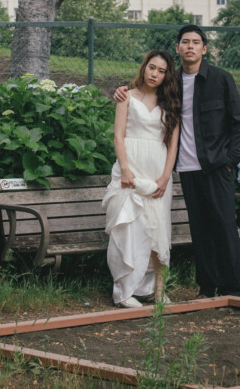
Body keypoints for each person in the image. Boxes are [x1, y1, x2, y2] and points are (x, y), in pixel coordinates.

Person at [115, 25, 240, 299]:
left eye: (196, 42)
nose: (190, 46)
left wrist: (230, 160)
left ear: (204, 49)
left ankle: (232, 289)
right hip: (186, 169)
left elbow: (238, 123)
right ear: (178, 48)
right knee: (199, 230)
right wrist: (121, 91)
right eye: (185, 42)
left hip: (216, 167)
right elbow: (144, 90)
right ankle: (207, 288)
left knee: (223, 226)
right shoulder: (170, 82)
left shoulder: (221, 79)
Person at [102, 49, 181, 308]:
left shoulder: (170, 103)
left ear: (167, 76)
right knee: (129, 228)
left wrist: (165, 177)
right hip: (131, 169)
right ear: (144, 66)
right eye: (152, 67)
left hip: (158, 171)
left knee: (158, 229)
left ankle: (157, 291)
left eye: (161, 71)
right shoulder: (126, 96)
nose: (155, 74)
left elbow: (173, 144)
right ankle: (124, 291)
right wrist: (125, 168)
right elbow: (118, 135)